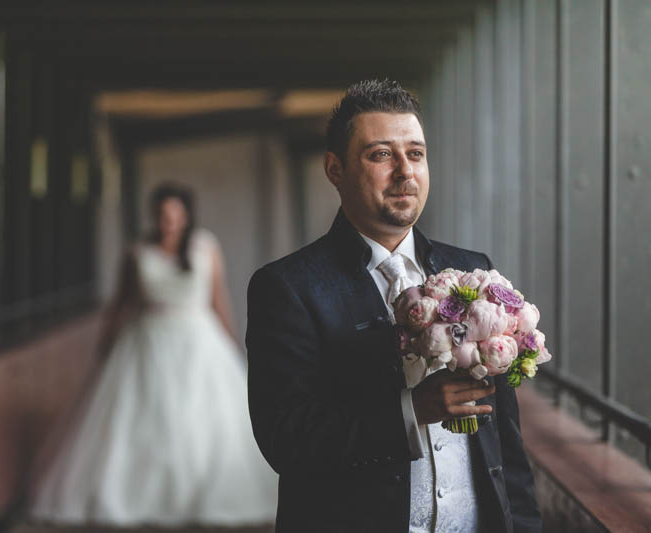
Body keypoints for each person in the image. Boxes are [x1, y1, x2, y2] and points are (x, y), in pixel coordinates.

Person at [246, 79, 542, 532]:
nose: (405, 170)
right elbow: (284, 439)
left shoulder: (473, 271)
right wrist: (411, 410)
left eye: (416, 154)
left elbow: (506, 440)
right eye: (381, 154)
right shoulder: (286, 287)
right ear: (335, 169)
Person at [30, 184, 277, 527]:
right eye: (163, 215)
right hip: (146, 345)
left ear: (187, 215)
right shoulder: (137, 251)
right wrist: (105, 345)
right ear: (154, 215)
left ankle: (200, 497)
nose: (169, 222)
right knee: (142, 422)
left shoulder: (205, 246)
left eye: (175, 215)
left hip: (199, 343)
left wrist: (234, 343)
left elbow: (219, 298)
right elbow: (121, 302)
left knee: (203, 420)